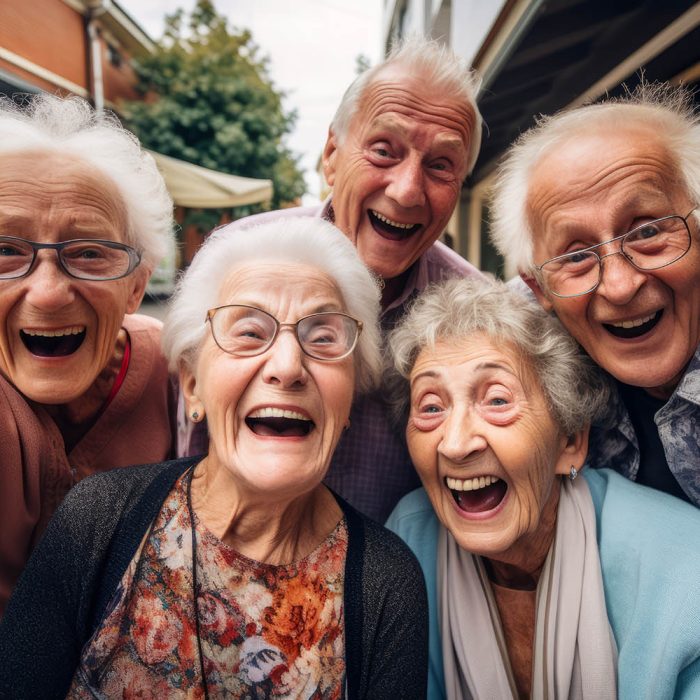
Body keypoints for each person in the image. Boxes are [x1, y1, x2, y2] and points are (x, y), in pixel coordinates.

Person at [0, 218, 428, 699]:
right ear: (191, 383)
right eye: (249, 331)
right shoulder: (97, 518)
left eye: (324, 337)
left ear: (348, 398)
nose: (287, 367)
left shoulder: (388, 585)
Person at [182, 36, 485, 522]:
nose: (407, 191)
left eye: (440, 165)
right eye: (384, 151)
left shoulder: (473, 313)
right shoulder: (238, 260)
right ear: (331, 154)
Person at [386, 277, 700, 699]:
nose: (456, 443)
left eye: (497, 401)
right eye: (431, 407)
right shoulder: (408, 541)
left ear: (571, 442)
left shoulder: (685, 571)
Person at [0, 94, 177, 614]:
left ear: (136, 287)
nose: (49, 293)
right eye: (6, 250)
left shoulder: (177, 373)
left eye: (90, 253)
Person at [489, 83, 700, 505]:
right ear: (538, 287)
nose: (620, 286)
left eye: (648, 231)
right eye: (577, 255)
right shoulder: (520, 344)